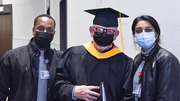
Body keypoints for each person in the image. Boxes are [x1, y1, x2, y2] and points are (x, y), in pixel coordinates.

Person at [54, 8, 133, 101]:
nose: (104, 34)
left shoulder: (125, 63)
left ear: (115, 35)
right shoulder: (73, 55)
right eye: (99, 29)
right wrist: (73, 91)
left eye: (109, 31)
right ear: (92, 31)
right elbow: (57, 85)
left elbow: (128, 96)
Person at [0, 14, 62, 101]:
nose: (45, 32)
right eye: (41, 28)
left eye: (49, 30)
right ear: (33, 30)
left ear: (54, 33)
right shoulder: (12, 57)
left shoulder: (60, 59)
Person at [131, 15, 180, 101]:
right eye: (138, 31)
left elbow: (167, 98)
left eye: (148, 30)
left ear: (156, 34)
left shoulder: (167, 59)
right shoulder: (137, 59)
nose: (143, 33)